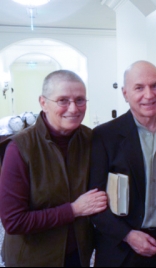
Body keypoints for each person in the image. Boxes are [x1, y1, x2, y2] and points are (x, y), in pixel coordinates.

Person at [89, 61, 156, 267]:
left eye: (155, 86)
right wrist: (128, 235)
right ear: (125, 93)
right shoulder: (104, 136)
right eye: (139, 87)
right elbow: (94, 203)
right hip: (123, 248)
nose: (149, 95)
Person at [0, 70, 108, 267]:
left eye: (80, 100)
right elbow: (14, 221)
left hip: (79, 254)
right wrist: (74, 209)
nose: (73, 108)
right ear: (43, 102)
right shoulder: (19, 148)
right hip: (33, 258)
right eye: (63, 100)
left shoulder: (91, 139)